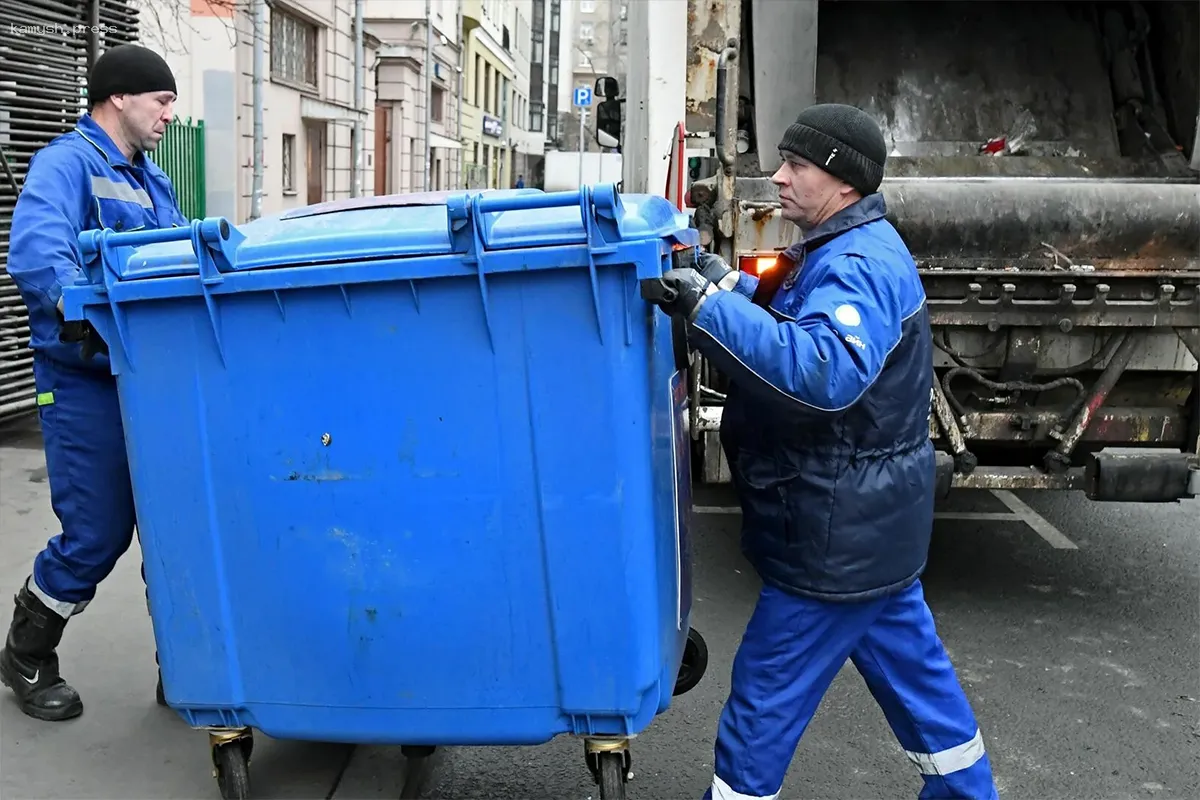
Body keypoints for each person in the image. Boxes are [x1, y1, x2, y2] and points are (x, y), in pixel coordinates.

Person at [644, 104, 1000, 800]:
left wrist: (705, 309)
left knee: (762, 706)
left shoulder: (860, 265)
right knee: (924, 695)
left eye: (795, 166)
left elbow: (822, 372)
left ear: (841, 181)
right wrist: (722, 282)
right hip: (872, 534)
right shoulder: (849, 248)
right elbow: (796, 320)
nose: (777, 178)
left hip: (832, 543)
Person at [0, 44, 187, 722]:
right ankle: (26, 652)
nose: (171, 113)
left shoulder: (151, 180)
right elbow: (36, 251)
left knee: (176, 524)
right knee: (97, 532)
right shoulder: (66, 163)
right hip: (82, 382)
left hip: (150, 376)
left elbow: (177, 259)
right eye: (162, 101)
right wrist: (75, 314)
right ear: (120, 98)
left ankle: (191, 666)